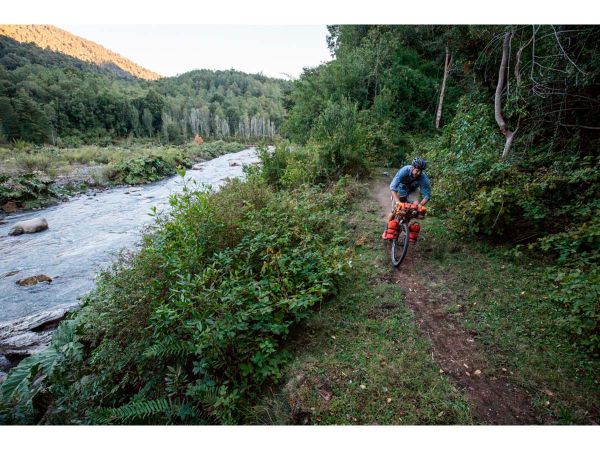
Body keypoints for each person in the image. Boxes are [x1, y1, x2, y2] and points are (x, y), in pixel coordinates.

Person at [386, 157, 431, 224]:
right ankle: (388, 228)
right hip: (400, 189)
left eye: (421, 171)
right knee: (396, 210)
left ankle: (405, 226)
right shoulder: (404, 171)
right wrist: (398, 202)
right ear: (412, 167)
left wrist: (420, 205)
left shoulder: (423, 178)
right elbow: (393, 187)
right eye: (417, 170)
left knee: (414, 209)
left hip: (413, 191)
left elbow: (427, 195)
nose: (419, 173)